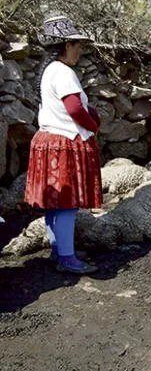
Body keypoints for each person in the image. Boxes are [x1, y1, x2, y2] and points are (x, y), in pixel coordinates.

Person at [23, 16, 102, 274]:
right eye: (77, 45)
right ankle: (68, 259)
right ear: (67, 44)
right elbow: (74, 108)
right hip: (65, 142)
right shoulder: (64, 72)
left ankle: (59, 250)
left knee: (55, 204)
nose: (80, 50)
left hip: (48, 140)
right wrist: (93, 124)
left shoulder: (49, 71)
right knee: (68, 204)